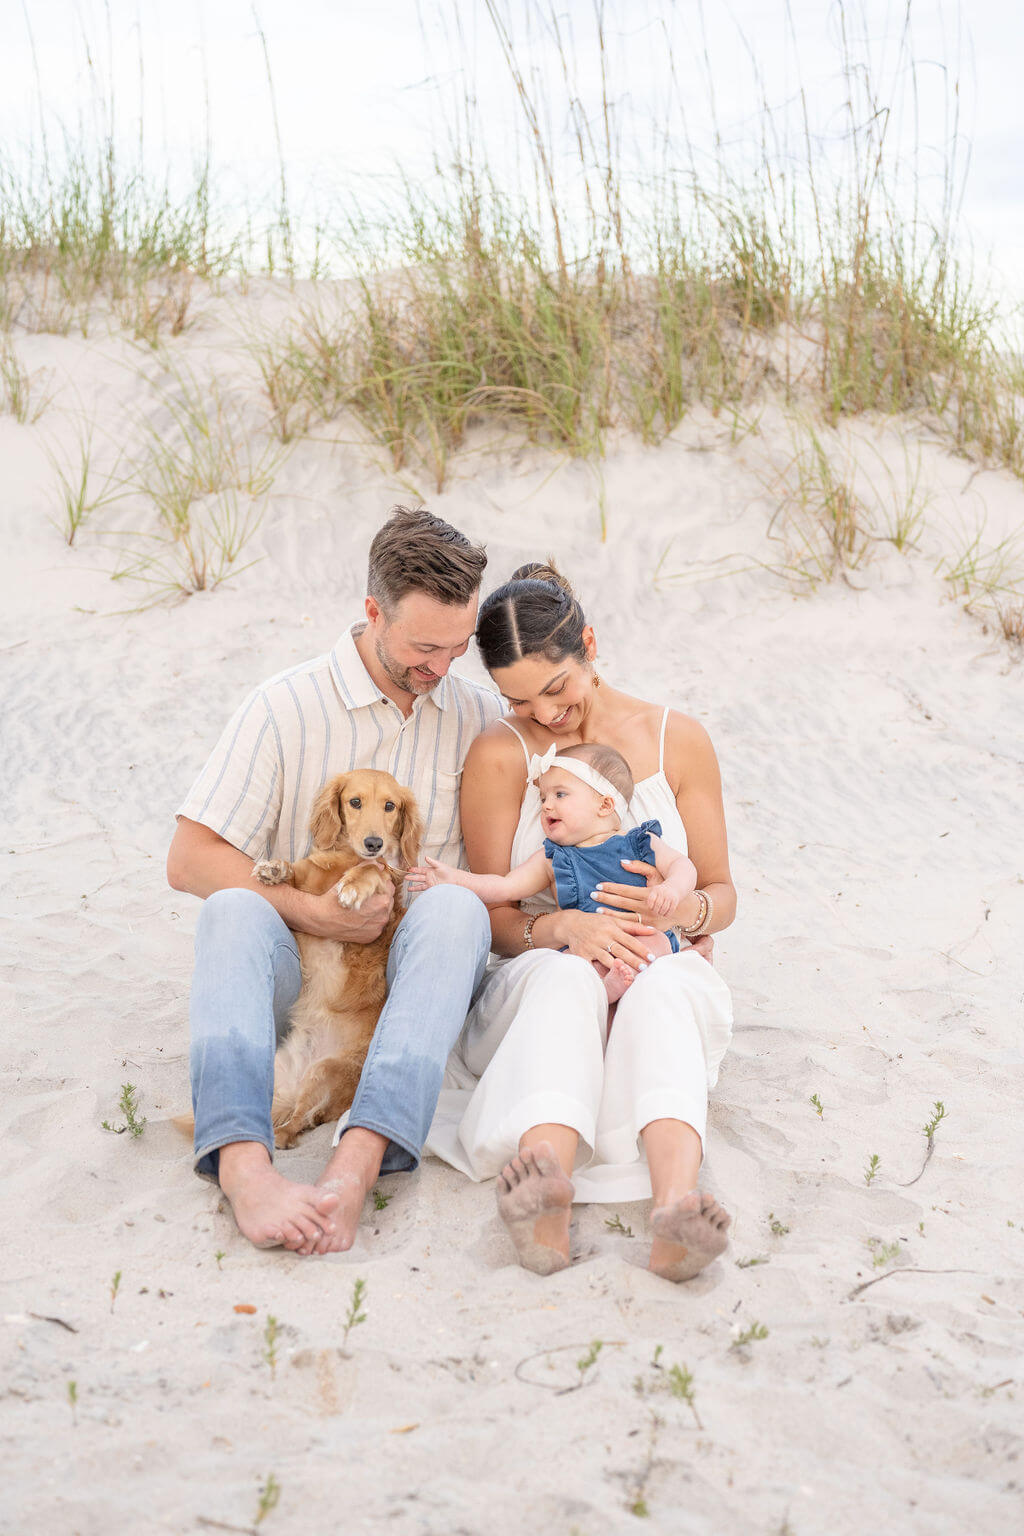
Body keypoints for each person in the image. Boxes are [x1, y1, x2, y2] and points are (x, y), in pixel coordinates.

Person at [167, 507, 502, 1257]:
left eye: (458, 647)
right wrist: (312, 910)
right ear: (373, 612)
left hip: (408, 986)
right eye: (423, 646)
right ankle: (243, 1162)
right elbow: (188, 858)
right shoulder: (283, 706)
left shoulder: (479, 717)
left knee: (452, 909)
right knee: (232, 910)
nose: (442, 668)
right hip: (305, 977)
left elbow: (525, 866)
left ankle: (358, 1162)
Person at [425, 563, 736, 1282]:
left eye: (557, 688)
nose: (548, 715)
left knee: (666, 990)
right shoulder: (503, 753)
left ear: (589, 645)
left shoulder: (677, 740)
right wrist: (564, 929)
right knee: (568, 982)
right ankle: (545, 1195)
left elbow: (722, 892)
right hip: (543, 969)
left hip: (654, 961)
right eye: (521, 700)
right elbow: (496, 915)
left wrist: (685, 913)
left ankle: (676, 1211)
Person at [407, 741, 698, 1004]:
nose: (546, 805)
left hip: (640, 936)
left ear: (605, 804)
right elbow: (506, 887)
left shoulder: (639, 842)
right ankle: (605, 992)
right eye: (543, 797)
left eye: (560, 794)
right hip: (584, 945)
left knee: (656, 943)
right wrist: (455, 879)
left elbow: (682, 866)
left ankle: (616, 989)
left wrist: (671, 889)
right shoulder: (552, 857)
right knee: (568, 965)